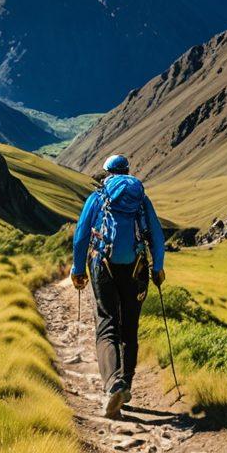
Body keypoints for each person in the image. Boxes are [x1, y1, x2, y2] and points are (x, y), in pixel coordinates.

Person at [70, 154, 166, 418]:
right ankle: (126, 385)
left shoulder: (98, 198)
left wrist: (78, 270)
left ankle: (113, 384)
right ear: (127, 171)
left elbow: (80, 237)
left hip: (103, 266)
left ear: (106, 173)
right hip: (136, 268)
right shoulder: (141, 201)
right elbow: (157, 236)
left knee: (107, 324)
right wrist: (157, 269)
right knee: (129, 328)